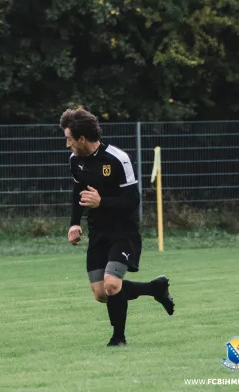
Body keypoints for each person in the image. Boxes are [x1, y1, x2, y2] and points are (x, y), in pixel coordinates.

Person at [60, 108, 175, 347]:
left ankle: (118, 339)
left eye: (69, 138)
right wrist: (74, 223)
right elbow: (77, 192)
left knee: (112, 285)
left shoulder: (117, 158)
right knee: (101, 293)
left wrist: (102, 202)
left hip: (124, 231)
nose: (67, 143)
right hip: (98, 232)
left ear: (82, 139)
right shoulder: (75, 160)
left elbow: (133, 200)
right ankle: (156, 288)